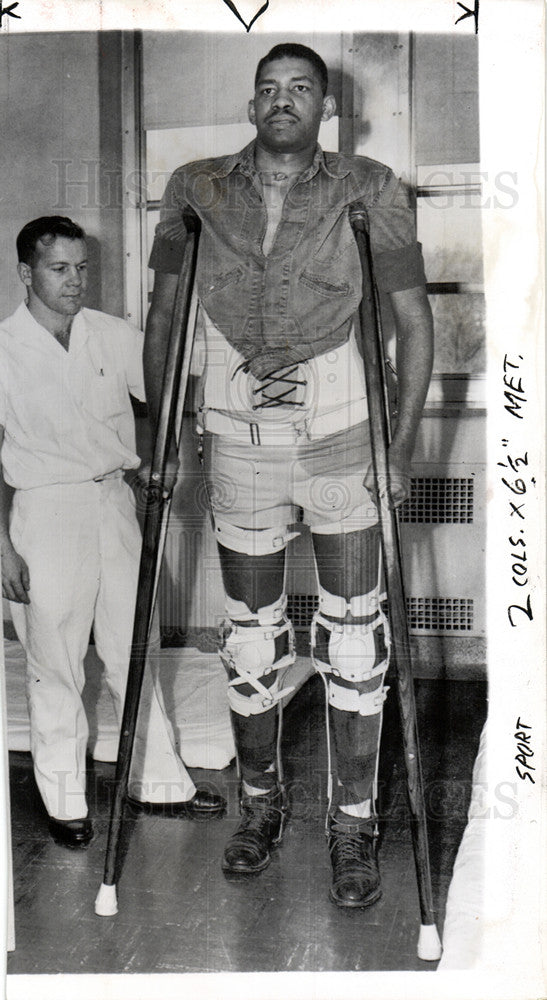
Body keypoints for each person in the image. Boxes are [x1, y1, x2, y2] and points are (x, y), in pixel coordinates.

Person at [144, 43, 433, 908]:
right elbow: (163, 316)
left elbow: (412, 320)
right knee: (250, 637)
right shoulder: (194, 188)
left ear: (325, 106)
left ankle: (352, 825)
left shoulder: (372, 187)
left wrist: (401, 442)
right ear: (251, 104)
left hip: (344, 434)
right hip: (239, 441)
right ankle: (259, 808)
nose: (282, 102)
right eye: (268, 89)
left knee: (351, 637)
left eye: (300, 89)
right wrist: (161, 438)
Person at [0, 216, 225, 849]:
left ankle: (155, 781)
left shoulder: (111, 334)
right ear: (26, 273)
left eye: (81, 268)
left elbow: (165, 390)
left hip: (113, 503)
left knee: (135, 646)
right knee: (56, 664)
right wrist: (2, 547)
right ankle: (65, 799)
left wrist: (164, 452)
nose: (74, 281)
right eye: (58, 269)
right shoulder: (5, 348)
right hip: (44, 513)